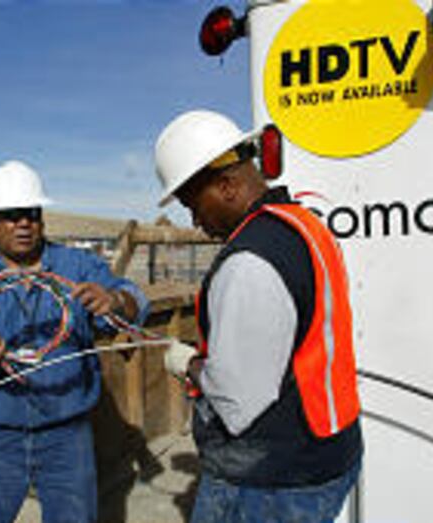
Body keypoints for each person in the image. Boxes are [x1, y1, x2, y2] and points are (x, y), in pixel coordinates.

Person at [154, 110, 363, 523]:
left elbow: (235, 401)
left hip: (270, 482)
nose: (196, 222)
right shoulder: (303, 225)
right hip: (327, 451)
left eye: (193, 205)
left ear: (227, 186)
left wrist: (188, 364)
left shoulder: (249, 261)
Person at [0, 160, 148, 523]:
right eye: (11, 215)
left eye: (32, 213)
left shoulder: (77, 267)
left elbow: (136, 302)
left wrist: (116, 301)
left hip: (67, 435)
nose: (24, 223)